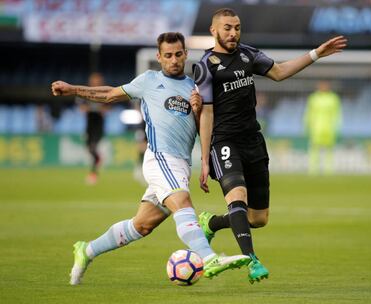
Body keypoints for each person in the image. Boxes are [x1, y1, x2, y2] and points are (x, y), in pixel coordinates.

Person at [51, 32, 250, 286]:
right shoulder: (148, 81)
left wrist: (199, 112)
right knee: (183, 201)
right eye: (168, 55)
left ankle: (87, 250)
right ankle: (209, 258)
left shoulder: (194, 88)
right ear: (159, 57)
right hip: (159, 159)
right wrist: (72, 89)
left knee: (142, 225)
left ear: (185, 54)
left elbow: (203, 128)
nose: (174, 60)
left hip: (181, 164)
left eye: (178, 54)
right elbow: (110, 94)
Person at [193, 8, 347, 283]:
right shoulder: (206, 65)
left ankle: (211, 222)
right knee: (236, 196)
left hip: (254, 141)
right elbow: (206, 113)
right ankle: (252, 260)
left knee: (258, 219)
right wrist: (205, 158)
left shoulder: (248, 54)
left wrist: (316, 54)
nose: (233, 33)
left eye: (237, 27)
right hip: (224, 142)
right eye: (227, 28)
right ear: (213, 30)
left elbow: (279, 72)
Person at [304, 81, 342, 175]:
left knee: (329, 149)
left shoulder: (333, 98)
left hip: (329, 127)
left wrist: (337, 126)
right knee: (314, 148)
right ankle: (313, 169)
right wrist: (306, 125)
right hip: (316, 127)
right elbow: (309, 112)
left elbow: (337, 113)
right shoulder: (313, 98)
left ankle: (328, 170)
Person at [76, 72, 107, 185]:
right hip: (89, 123)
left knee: (93, 146)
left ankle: (93, 174)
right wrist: (90, 108)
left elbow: (108, 108)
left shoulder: (105, 92)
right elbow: (81, 107)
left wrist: (101, 109)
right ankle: (98, 158)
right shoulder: (86, 92)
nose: (95, 82)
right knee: (89, 147)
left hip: (99, 123)